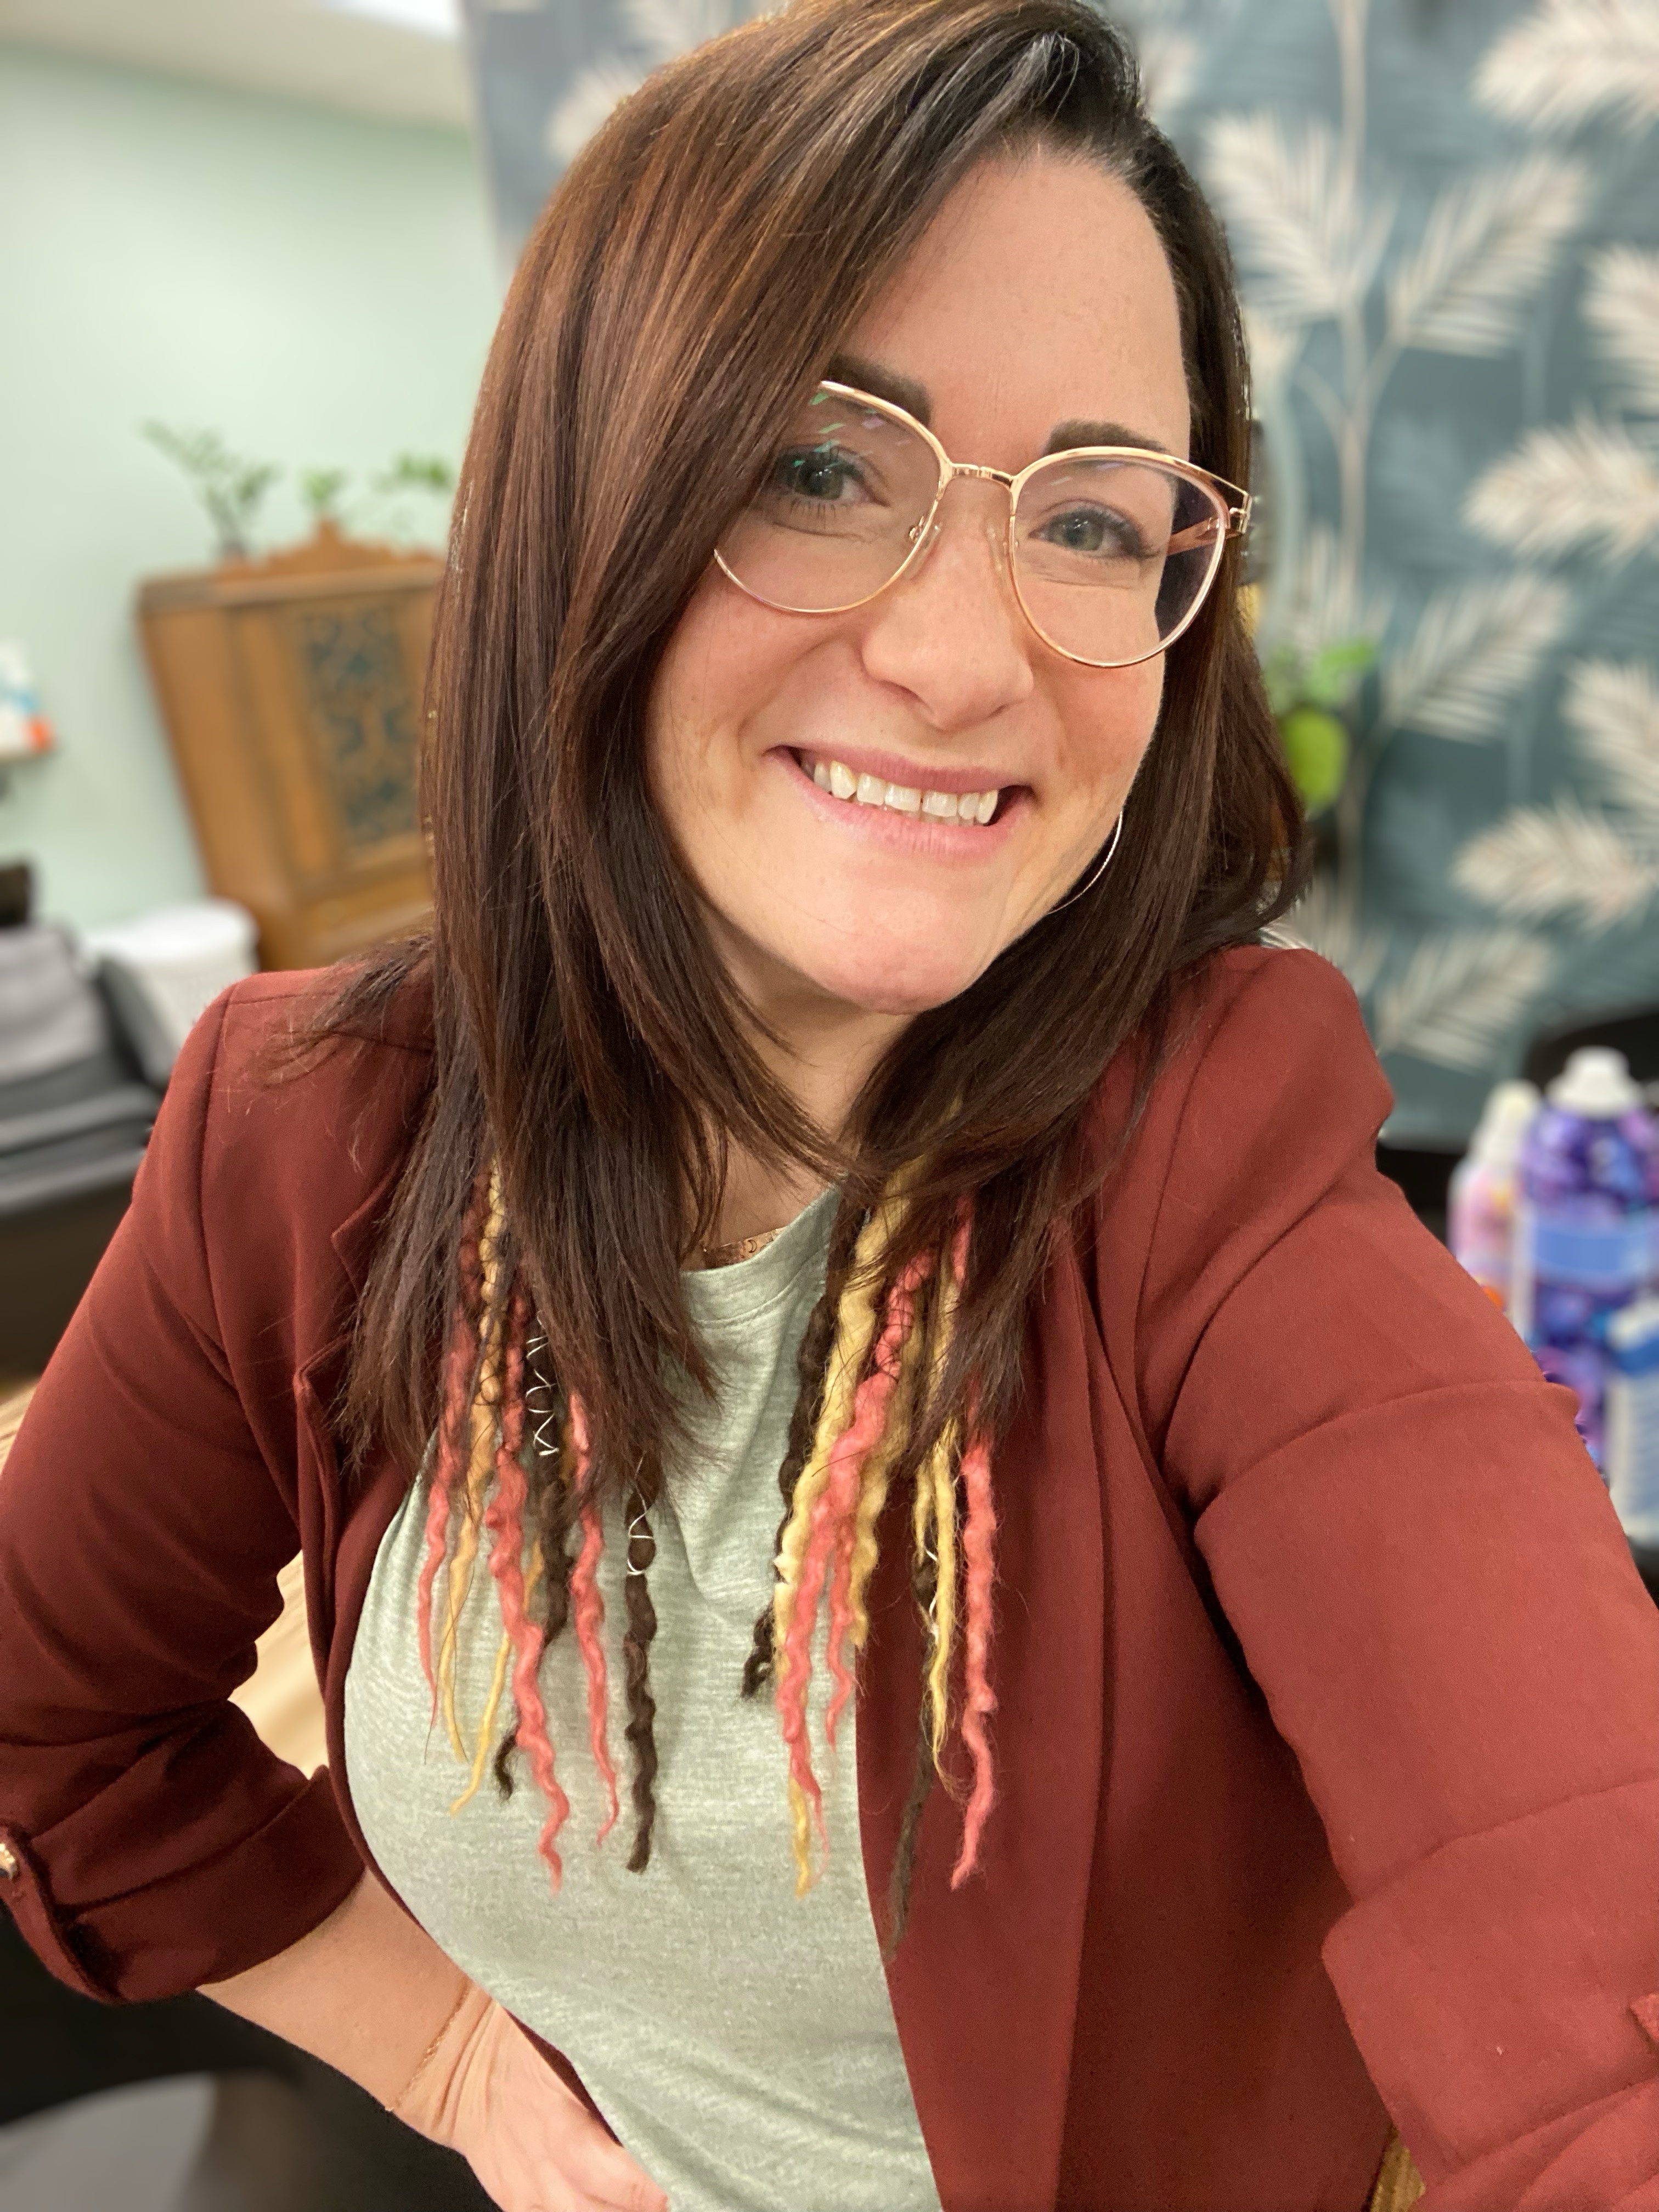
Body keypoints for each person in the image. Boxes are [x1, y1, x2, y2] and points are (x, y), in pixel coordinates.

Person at [3, 3, 1657, 2208]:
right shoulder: (309, 1134)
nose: (970, 661)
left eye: (1095, 519)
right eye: (817, 467)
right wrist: (454, 2058)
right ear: (582, 503)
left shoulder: (1218, 1176)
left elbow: (1588, 1936)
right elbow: (59, 1724)